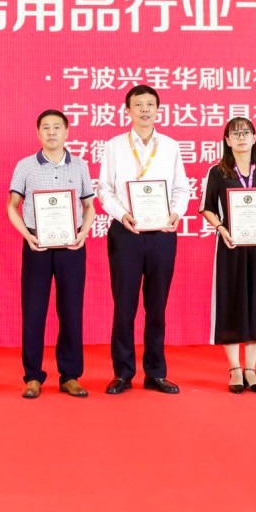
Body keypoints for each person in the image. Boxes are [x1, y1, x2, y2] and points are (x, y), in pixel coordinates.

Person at [95, 84, 191, 395]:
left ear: (158, 110)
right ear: (128, 111)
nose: (145, 110)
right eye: (138, 105)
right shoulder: (114, 146)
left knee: (157, 305)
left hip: (162, 232)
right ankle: (122, 373)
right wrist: (122, 214)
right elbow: (104, 189)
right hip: (126, 232)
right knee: (124, 305)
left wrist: (175, 213)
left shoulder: (171, 146)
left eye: (150, 104)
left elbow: (181, 188)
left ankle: (156, 372)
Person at [6, 109, 96, 399]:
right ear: (38, 133)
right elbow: (11, 206)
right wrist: (27, 235)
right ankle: (33, 376)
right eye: (46, 127)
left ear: (67, 132)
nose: (52, 132)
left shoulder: (80, 165)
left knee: (71, 310)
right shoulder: (25, 166)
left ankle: (70, 375)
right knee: (33, 311)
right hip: (37, 244)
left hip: (72, 245)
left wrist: (83, 233)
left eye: (57, 127)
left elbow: (90, 206)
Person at [198, 117, 256, 394]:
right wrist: (222, 229)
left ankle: (251, 369)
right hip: (231, 245)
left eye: (246, 132)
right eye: (235, 134)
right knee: (231, 302)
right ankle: (235, 368)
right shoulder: (218, 172)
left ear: (255, 137)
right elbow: (207, 207)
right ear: (227, 140)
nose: (242, 137)